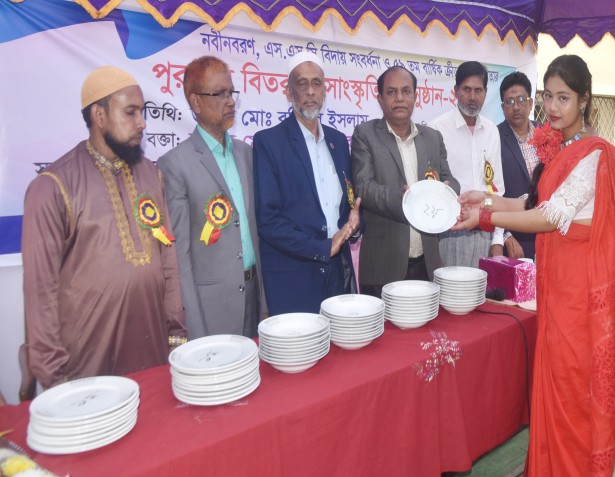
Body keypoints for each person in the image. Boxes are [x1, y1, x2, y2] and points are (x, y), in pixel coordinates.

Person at [451, 55, 615, 477]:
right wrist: (485, 198)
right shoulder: (563, 148)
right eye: (549, 97)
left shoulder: (594, 155)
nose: (552, 108)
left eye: (564, 98)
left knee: (573, 398)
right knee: (555, 394)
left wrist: (485, 218)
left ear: (585, 100)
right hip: (557, 294)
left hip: (580, 303)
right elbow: (531, 203)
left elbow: (551, 217)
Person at [21, 67, 187, 388]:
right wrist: (55, 379)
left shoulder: (151, 175)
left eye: (142, 112)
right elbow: (41, 292)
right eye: (130, 112)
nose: (142, 123)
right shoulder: (53, 186)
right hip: (87, 362)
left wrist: (176, 335)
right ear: (99, 115)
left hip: (153, 351)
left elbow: (168, 259)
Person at [157, 56, 264, 340]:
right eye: (220, 94)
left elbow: (256, 231)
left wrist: (265, 304)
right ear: (195, 102)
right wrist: (193, 328)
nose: (230, 102)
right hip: (211, 310)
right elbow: (179, 256)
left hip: (254, 298)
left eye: (231, 93)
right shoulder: (175, 165)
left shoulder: (248, 154)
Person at [253, 53, 361, 315]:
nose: (310, 92)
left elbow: (348, 204)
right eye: (302, 84)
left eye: (317, 83)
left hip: (338, 272)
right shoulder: (269, 142)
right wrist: (323, 247)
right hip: (294, 277)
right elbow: (269, 221)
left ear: (325, 91)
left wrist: (355, 224)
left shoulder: (338, 141)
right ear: (288, 91)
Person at [350, 66, 459, 297]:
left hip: (427, 264)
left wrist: (446, 191)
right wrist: (408, 199)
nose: (399, 98)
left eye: (406, 91)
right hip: (383, 267)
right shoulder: (365, 134)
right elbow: (364, 188)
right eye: (391, 92)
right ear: (380, 99)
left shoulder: (432, 137)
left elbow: (450, 180)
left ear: (415, 97)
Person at [430, 61, 505, 268]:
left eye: (478, 90)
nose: (472, 97)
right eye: (467, 89)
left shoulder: (492, 131)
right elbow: (432, 189)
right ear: (455, 91)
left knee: (484, 290)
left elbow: (497, 189)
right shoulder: (436, 129)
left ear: (486, 93)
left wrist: (498, 240)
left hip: (485, 231)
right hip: (449, 233)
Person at [497, 71, 538, 260]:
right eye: (510, 101)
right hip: (515, 241)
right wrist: (505, 235)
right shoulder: (493, 137)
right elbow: (489, 193)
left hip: (547, 235)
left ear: (530, 103)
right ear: (502, 107)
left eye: (521, 100)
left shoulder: (548, 135)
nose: (516, 107)